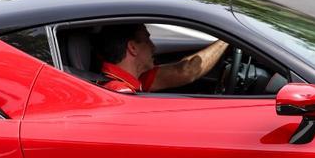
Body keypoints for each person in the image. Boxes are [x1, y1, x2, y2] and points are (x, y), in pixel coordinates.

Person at [95, 24, 229, 94]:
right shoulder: (119, 92)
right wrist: (227, 38)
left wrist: (226, 39)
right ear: (133, 48)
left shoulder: (134, 77)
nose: (153, 47)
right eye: (147, 41)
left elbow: (185, 71)